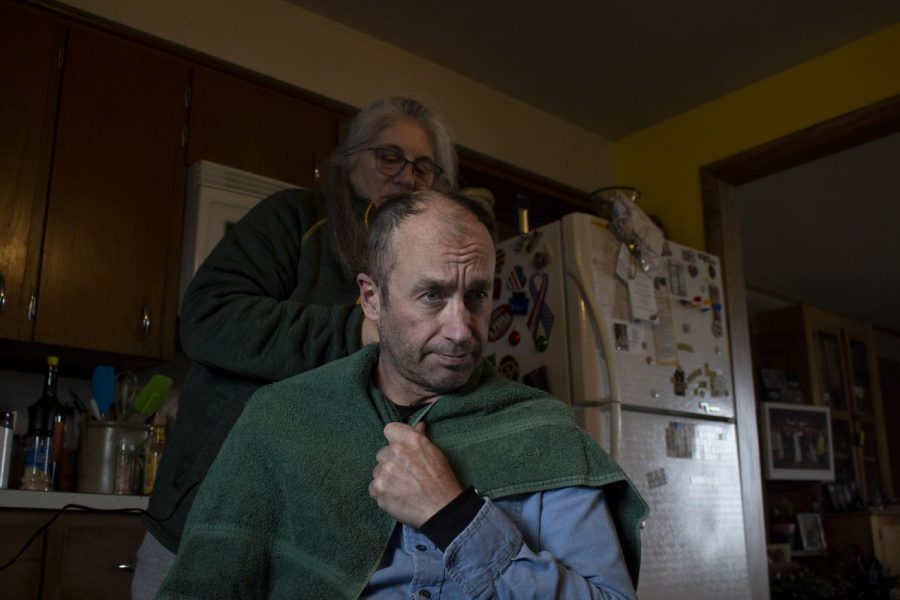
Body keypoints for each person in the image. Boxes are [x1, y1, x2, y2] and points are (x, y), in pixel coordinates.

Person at [157, 190, 649, 599]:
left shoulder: (541, 430)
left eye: (476, 296)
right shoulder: (281, 418)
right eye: (432, 295)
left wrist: (456, 518)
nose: (460, 330)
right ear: (372, 298)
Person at [132, 97, 458, 599]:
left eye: (423, 166)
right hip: (205, 515)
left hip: (324, 545)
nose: (406, 176)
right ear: (351, 158)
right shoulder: (293, 218)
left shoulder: (425, 261)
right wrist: (357, 332)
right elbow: (208, 317)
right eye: (389, 156)